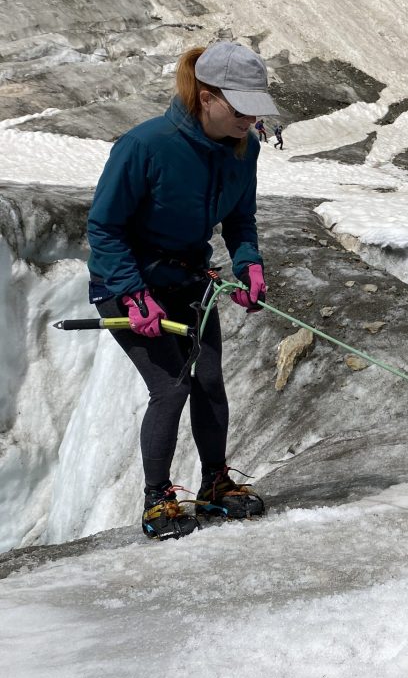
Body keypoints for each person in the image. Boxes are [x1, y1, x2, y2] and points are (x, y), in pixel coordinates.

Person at [87, 41, 282, 539]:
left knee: (210, 381)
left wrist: (248, 262)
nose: (250, 120)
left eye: (256, 108)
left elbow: (240, 218)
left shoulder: (246, 149)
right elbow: (104, 228)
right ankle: (158, 498)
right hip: (125, 283)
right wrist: (131, 292)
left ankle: (215, 483)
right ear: (206, 95)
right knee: (170, 387)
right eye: (241, 108)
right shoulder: (144, 145)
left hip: (190, 282)